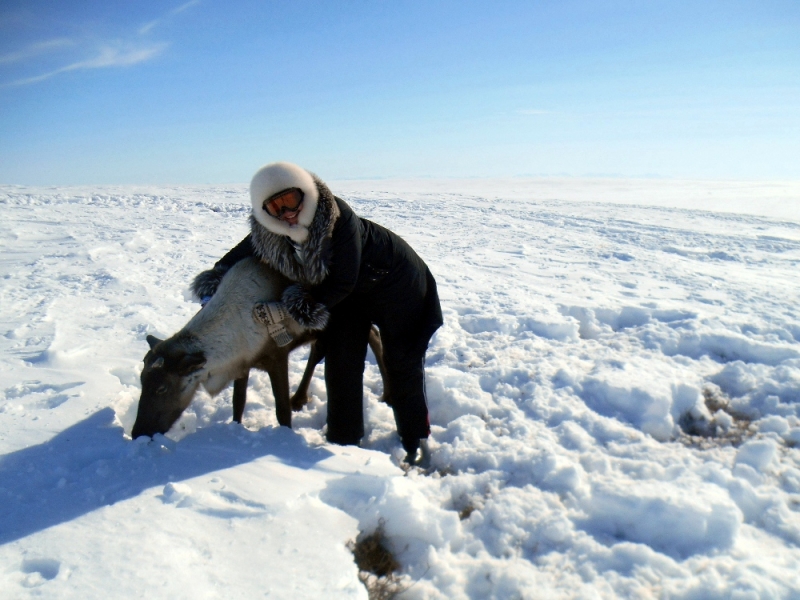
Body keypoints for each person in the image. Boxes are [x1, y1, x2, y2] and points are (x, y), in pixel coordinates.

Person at [192, 162, 443, 464]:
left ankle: (416, 439)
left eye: (290, 201)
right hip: (346, 297)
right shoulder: (271, 230)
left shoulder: (339, 218)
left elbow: (343, 280)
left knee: (402, 362)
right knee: (341, 361)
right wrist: (213, 286)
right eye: (274, 206)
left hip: (395, 284)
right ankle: (344, 440)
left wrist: (286, 309)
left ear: (305, 194)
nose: (286, 213)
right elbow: (238, 256)